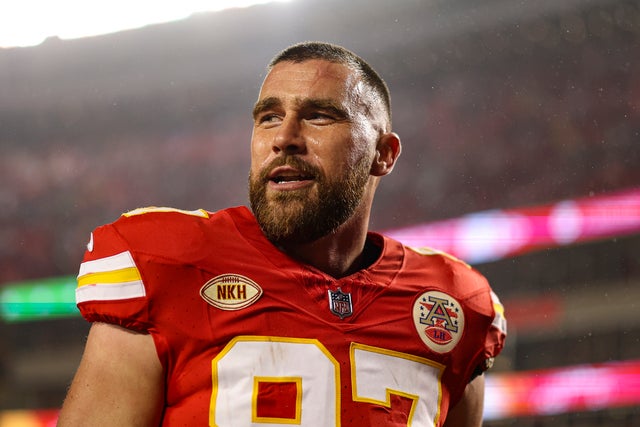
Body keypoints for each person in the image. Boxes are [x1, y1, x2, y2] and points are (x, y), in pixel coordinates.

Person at [58, 41, 506, 427]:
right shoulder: (168, 261)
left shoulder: (455, 304)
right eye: (269, 117)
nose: (284, 137)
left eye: (319, 116)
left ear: (383, 154)